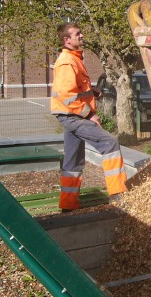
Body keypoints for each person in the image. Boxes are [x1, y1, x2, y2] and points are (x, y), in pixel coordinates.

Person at [51, 22, 127, 211]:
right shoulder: (67, 61)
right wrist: (89, 115)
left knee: (73, 160)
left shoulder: (73, 58)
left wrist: (91, 91)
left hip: (69, 116)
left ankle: (67, 205)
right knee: (110, 143)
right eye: (77, 34)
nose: (81, 35)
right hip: (73, 116)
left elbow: (73, 88)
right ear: (66, 40)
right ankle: (119, 195)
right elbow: (67, 97)